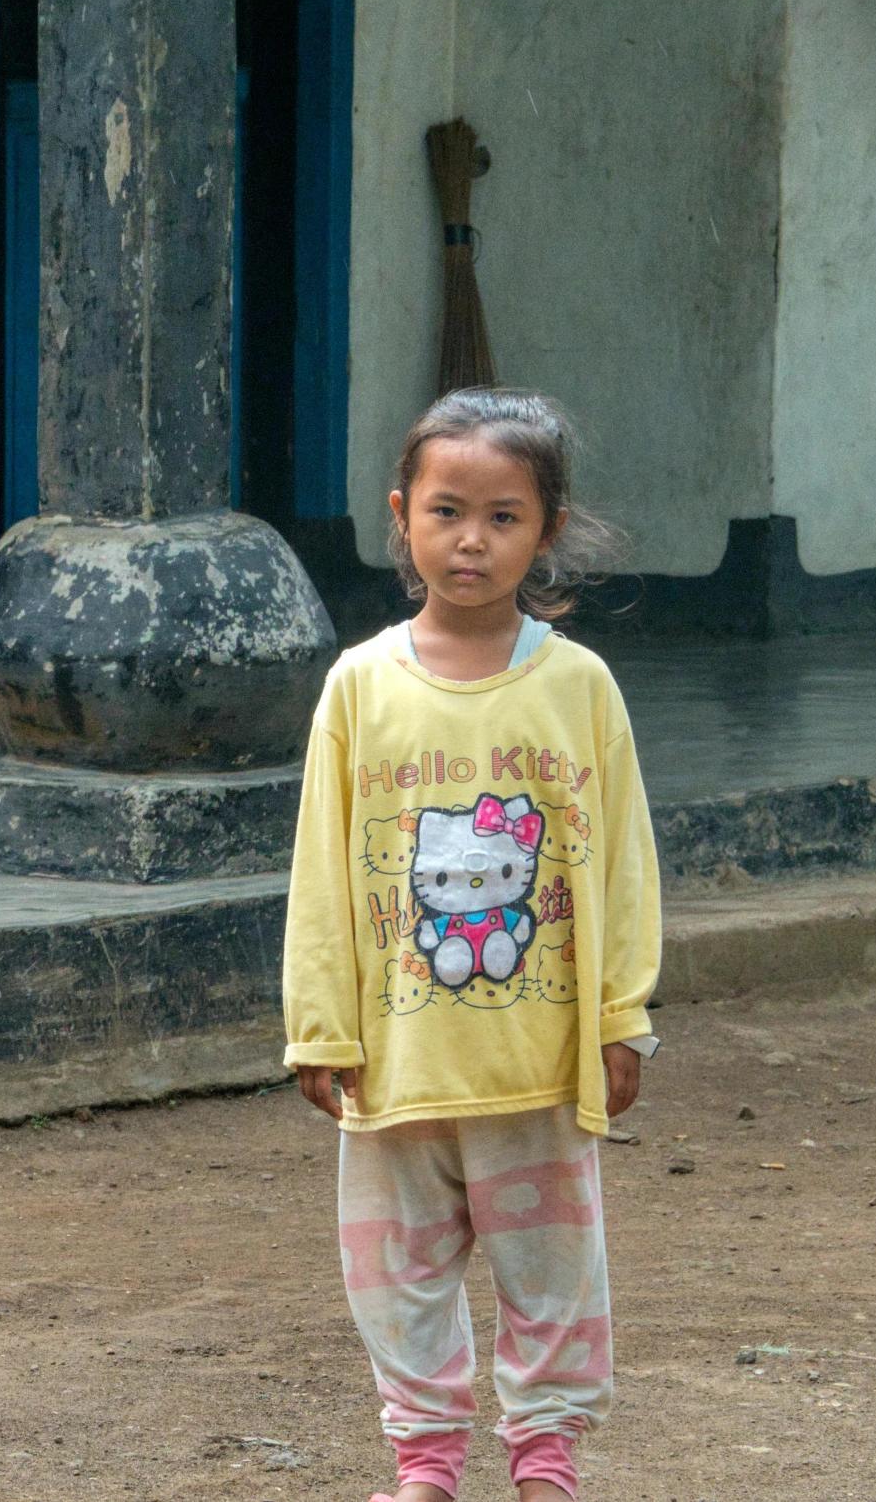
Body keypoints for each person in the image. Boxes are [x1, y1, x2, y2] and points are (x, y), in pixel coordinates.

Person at [282, 388, 661, 1502]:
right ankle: (426, 1462)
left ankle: (544, 1457)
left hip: (538, 1062)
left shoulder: (577, 686)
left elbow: (621, 862)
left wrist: (619, 1013)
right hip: (396, 1061)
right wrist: (320, 1021)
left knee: (551, 1269)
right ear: (400, 516)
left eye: (503, 515)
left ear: (545, 528)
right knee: (394, 1271)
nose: (471, 538)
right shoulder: (359, 685)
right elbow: (318, 864)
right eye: (446, 510)